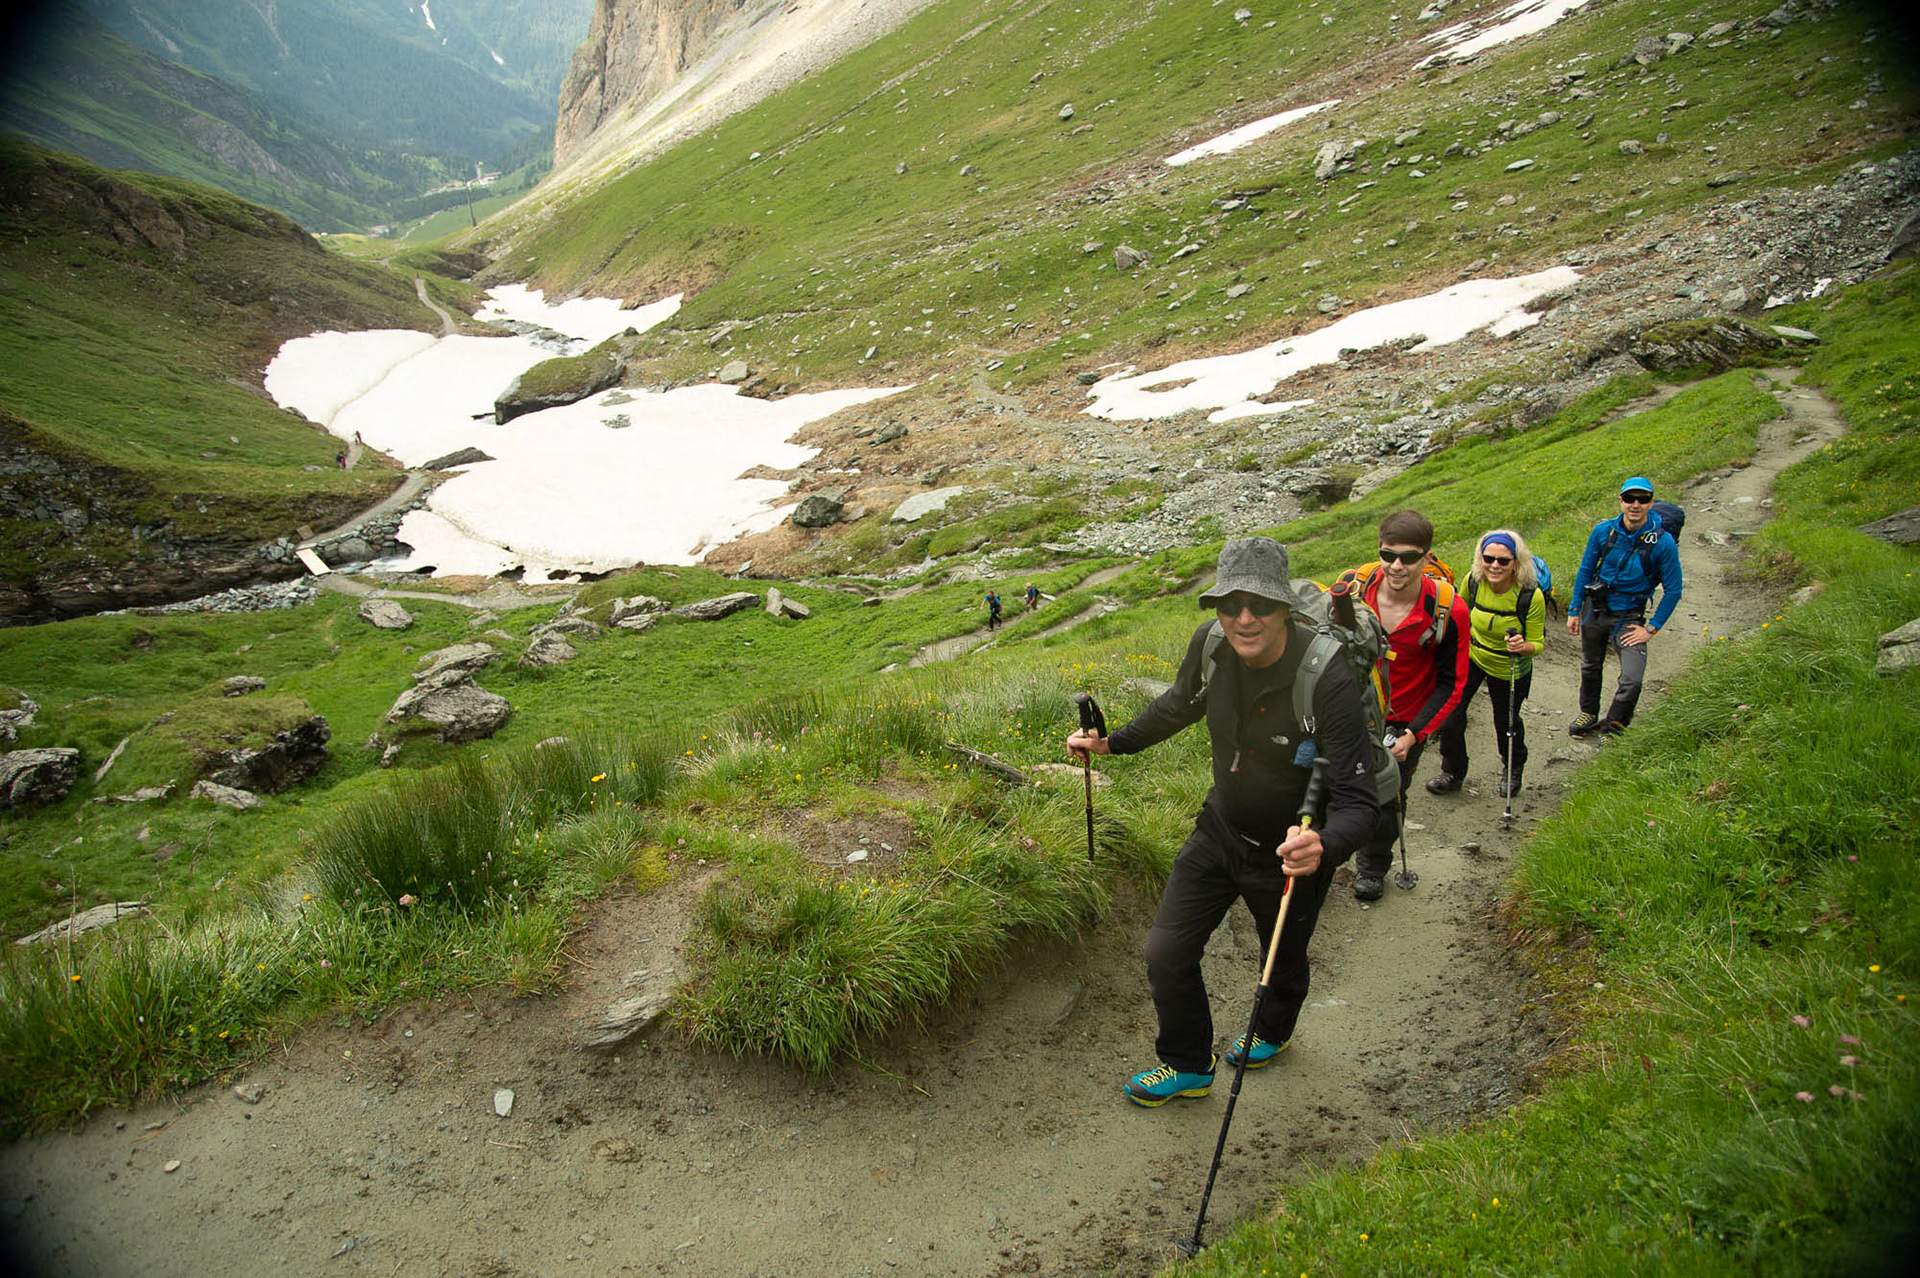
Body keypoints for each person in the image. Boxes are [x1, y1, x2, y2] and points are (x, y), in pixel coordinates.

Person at [1065, 537, 1377, 1107]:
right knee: (1166, 951)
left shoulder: (1325, 675)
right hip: (1220, 828)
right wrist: (1113, 744)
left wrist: (1324, 846)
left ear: (1284, 607)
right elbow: (1178, 704)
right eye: (1229, 604)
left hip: (1291, 851)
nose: (1243, 617)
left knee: (1280, 957)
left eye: (1258, 603)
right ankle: (1187, 1063)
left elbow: (1359, 799)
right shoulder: (1211, 645)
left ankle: (1274, 1031)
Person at [1344, 510, 1470, 900]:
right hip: (1348, 710)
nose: (1397, 566)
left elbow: (1453, 683)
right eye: (1388, 554)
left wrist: (1416, 734)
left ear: (1427, 557)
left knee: (1388, 796)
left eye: (1409, 557)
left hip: (1405, 722)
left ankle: (1372, 867)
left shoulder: (1450, 610)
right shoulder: (1350, 591)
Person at [1427, 530, 1545, 797]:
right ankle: (1452, 772)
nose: (1494, 565)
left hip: (1510, 666)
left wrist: (1522, 646)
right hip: (1474, 657)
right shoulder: (1473, 582)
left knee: (1506, 722)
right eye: (1488, 558)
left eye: (1503, 561)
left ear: (1516, 562)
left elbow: (1537, 644)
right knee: (1451, 714)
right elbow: (1459, 614)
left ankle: (1512, 769)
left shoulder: (1530, 596)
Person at [1567, 477, 1683, 737]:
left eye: (1642, 499)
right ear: (1621, 500)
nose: (1635, 504)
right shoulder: (1603, 531)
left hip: (1630, 616)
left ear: (1651, 503)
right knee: (1590, 665)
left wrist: (1651, 629)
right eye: (1630, 498)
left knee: (1632, 679)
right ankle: (1588, 713)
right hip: (1595, 607)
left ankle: (1613, 728)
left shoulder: (1663, 543)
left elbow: (1674, 590)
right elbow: (1586, 569)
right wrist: (1574, 610)